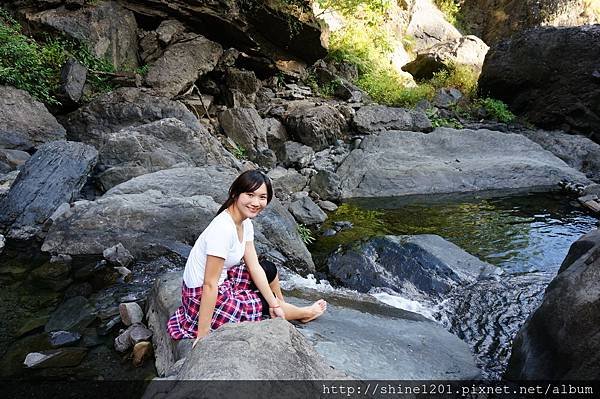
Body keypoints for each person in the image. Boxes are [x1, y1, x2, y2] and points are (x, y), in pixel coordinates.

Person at [167, 169, 327, 347]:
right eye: (250, 195)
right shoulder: (223, 229)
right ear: (235, 194)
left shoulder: (245, 222)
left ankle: (281, 307)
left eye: (262, 197)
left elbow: (254, 267)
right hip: (202, 297)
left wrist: (274, 303)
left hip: (224, 282)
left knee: (268, 269)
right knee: (262, 302)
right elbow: (210, 284)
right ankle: (303, 313)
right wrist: (203, 334)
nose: (256, 202)